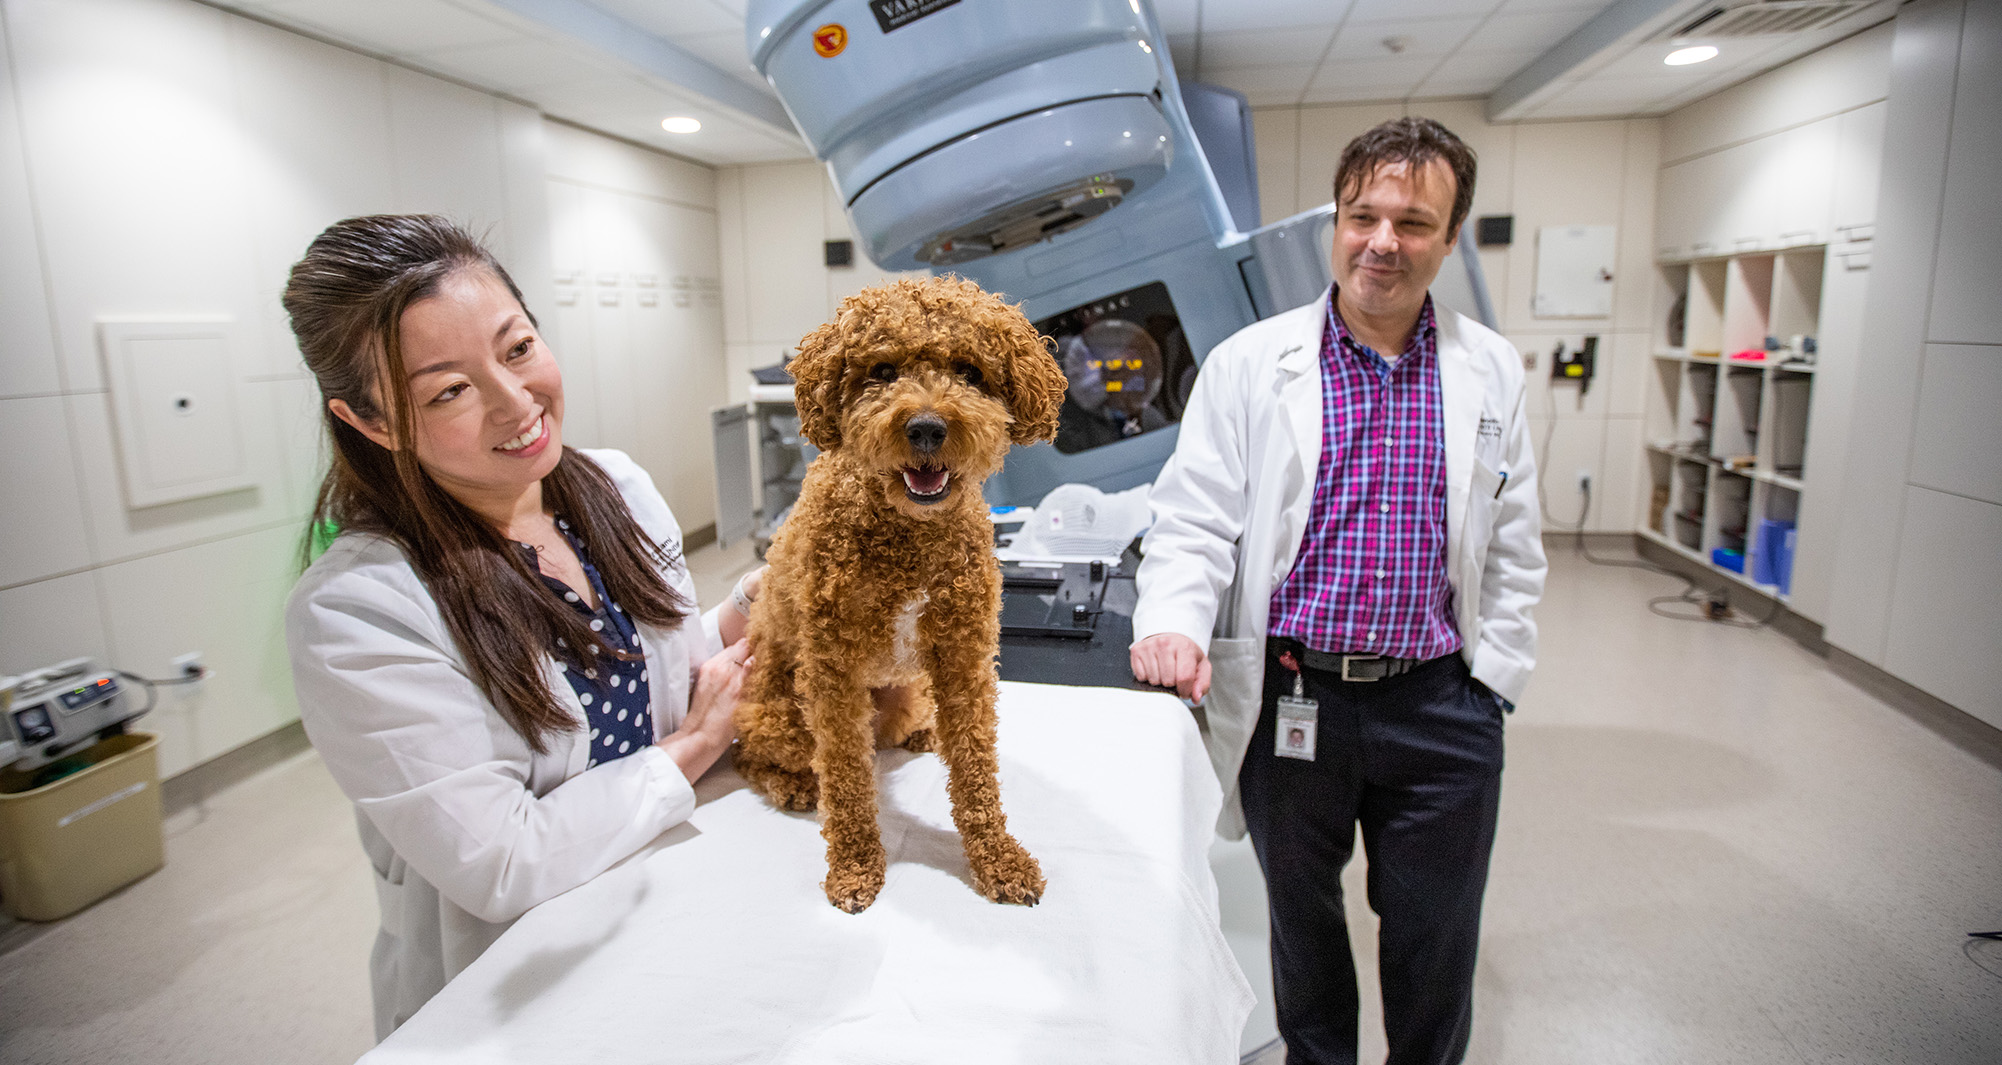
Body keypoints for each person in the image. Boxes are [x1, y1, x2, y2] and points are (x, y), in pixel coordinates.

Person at [281, 215, 763, 1039]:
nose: (516, 403)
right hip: (523, 984)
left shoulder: (613, 488)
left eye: (516, 348)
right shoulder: (359, 610)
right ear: (373, 423)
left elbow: (673, 671)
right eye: (449, 390)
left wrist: (765, 596)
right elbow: (504, 860)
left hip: (667, 896)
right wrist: (696, 746)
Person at [1129, 118, 1546, 1065]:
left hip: (1442, 704)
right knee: (1302, 931)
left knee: (1436, 938)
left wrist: (1495, 685)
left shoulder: (1489, 369)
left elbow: (1515, 541)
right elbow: (1192, 522)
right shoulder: (1251, 363)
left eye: (1413, 221)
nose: (1383, 242)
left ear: (1449, 236)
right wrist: (1175, 626)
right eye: (1362, 215)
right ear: (1336, 223)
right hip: (1294, 699)